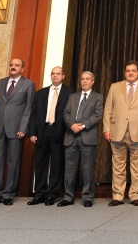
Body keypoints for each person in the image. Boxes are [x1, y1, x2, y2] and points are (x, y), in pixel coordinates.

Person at [0, 58, 35, 206]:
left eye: (17, 65)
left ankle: (8, 194)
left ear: (22, 69)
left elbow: (29, 109)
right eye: (11, 65)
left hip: (16, 130)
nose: (13, 67)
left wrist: (24, 128)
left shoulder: (28, 84)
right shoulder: (0, 83)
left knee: (13, 162)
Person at [103, 60, 138, 206]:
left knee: (137, 167)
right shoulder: (115, 87)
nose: (130, 73)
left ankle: (135, 195)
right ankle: (118, 196)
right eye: (128, 71)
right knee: (118, 167)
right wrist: (106, 129)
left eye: (133, 70)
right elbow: (108, 109)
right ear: (124, 73)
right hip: (117, 132)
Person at [27, 66, 73, 206]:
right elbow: (33, 114)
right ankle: (39, 194)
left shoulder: (69, 93)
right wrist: (32, 132)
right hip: (42, 131)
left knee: (56, 165)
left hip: (59, 132)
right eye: (53, 74)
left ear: (63, 76)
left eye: (58, 74)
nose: (55, 76)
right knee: (40, 164)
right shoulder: (41, 93)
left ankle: (52, 194)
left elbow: (70, 114)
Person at [58, 71, 103, 207]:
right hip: (71, 136)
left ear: (92, 82)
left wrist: (82, 125)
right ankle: (68, 196)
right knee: (69, 169)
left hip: (87, 136)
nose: (84, 81)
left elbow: (97, 115)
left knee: (87, 169)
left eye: (87, 79)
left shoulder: (98, 97)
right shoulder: (72, 96)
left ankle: (88, 197)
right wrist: (71, 125)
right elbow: (65, 113)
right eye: (82, 79)